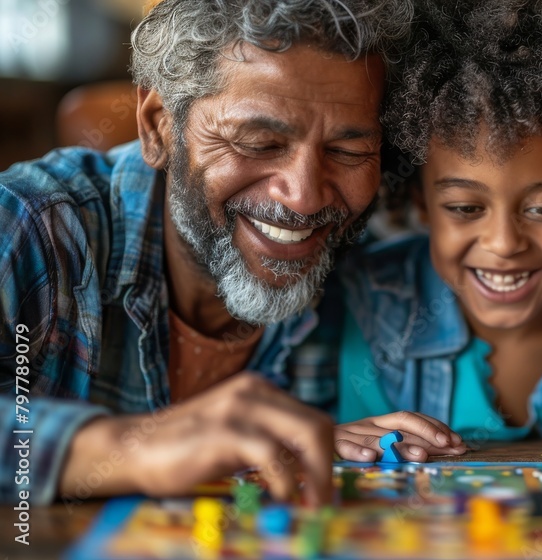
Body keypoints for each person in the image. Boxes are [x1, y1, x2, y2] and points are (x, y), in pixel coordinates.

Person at [0, 0, 449, 506]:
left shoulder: (368, 253)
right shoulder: (29, 224)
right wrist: (131, 448)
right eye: (258, 143)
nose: (305, 197)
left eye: (347, 152)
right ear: (158, 128)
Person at [330, 0, 542, 456]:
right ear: (421, 202)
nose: (504, 244)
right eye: (466, 208)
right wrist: (323, 439)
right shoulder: (355, 301)